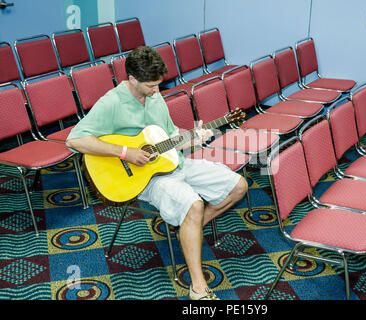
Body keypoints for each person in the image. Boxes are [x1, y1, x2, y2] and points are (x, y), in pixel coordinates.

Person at [66, 46, 248, 300]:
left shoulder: (154, 95)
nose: (157, 91)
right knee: (194, 206)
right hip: (146, 178)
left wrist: (195, 139)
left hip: (174, 162)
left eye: (158, 85)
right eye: (152, 85)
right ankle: (198, 288)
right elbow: (75, 140)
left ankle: (189, 229)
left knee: (238, 186)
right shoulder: (111, 102)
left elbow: (168, 137)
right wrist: (124, 152)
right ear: (132, 79)